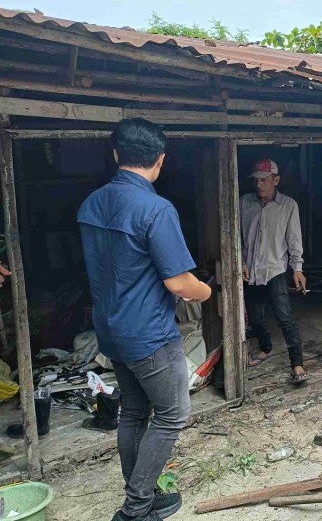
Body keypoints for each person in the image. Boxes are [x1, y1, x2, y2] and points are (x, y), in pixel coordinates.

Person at [78, 118, 212, 521]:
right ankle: (137, 507)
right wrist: (207, 290)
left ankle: (144, 493)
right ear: (160, 159)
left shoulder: (91, 204)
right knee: (172, 415)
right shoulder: (155, 209)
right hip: (150, 336)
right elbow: (179, 283)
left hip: (111, 331)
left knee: (135, 414)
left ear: (117, 154)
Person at [240, 158, 308, 384]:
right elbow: (236, 236)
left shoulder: (288, 206)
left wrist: (297, 268)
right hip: (250, 270)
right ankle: (266, 349)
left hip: (275, 269)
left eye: (264, 180)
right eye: (256, 180)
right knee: (256, 318)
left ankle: (297, 365)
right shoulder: (244, 203)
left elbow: (294, 240)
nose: (259, 184)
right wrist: (240, 261)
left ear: (276, 180)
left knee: (284, 316)